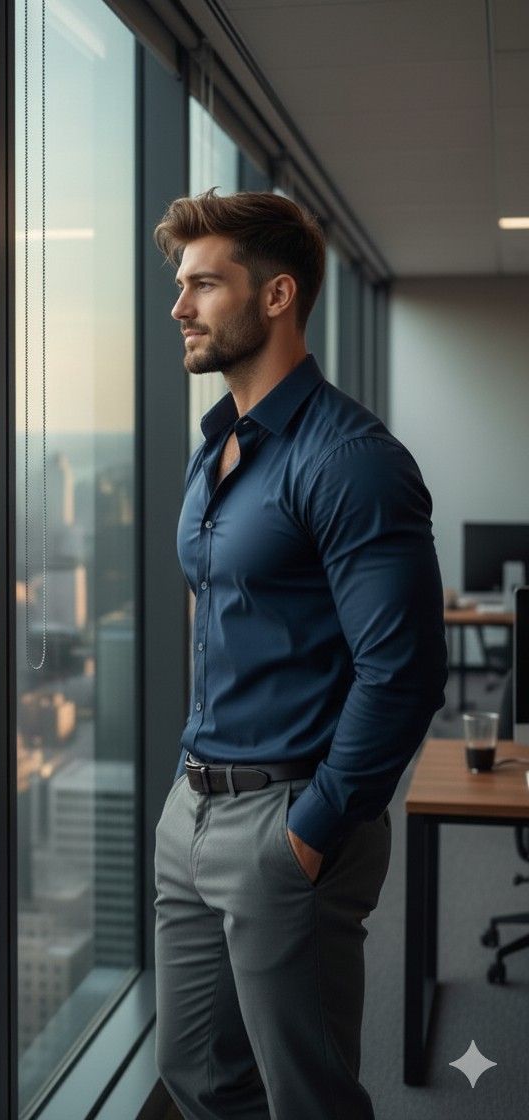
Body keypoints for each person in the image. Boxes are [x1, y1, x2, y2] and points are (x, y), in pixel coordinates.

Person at [150, 189, 448, 1120]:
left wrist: (313, 831)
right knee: (196, 1075)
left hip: (288, 818)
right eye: (180, 284)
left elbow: (403, 671)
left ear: (277, 297)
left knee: (309, 1099)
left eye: (204, 284)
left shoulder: (351, 459)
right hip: (192, 810)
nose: (180, 307)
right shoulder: (218, 448)